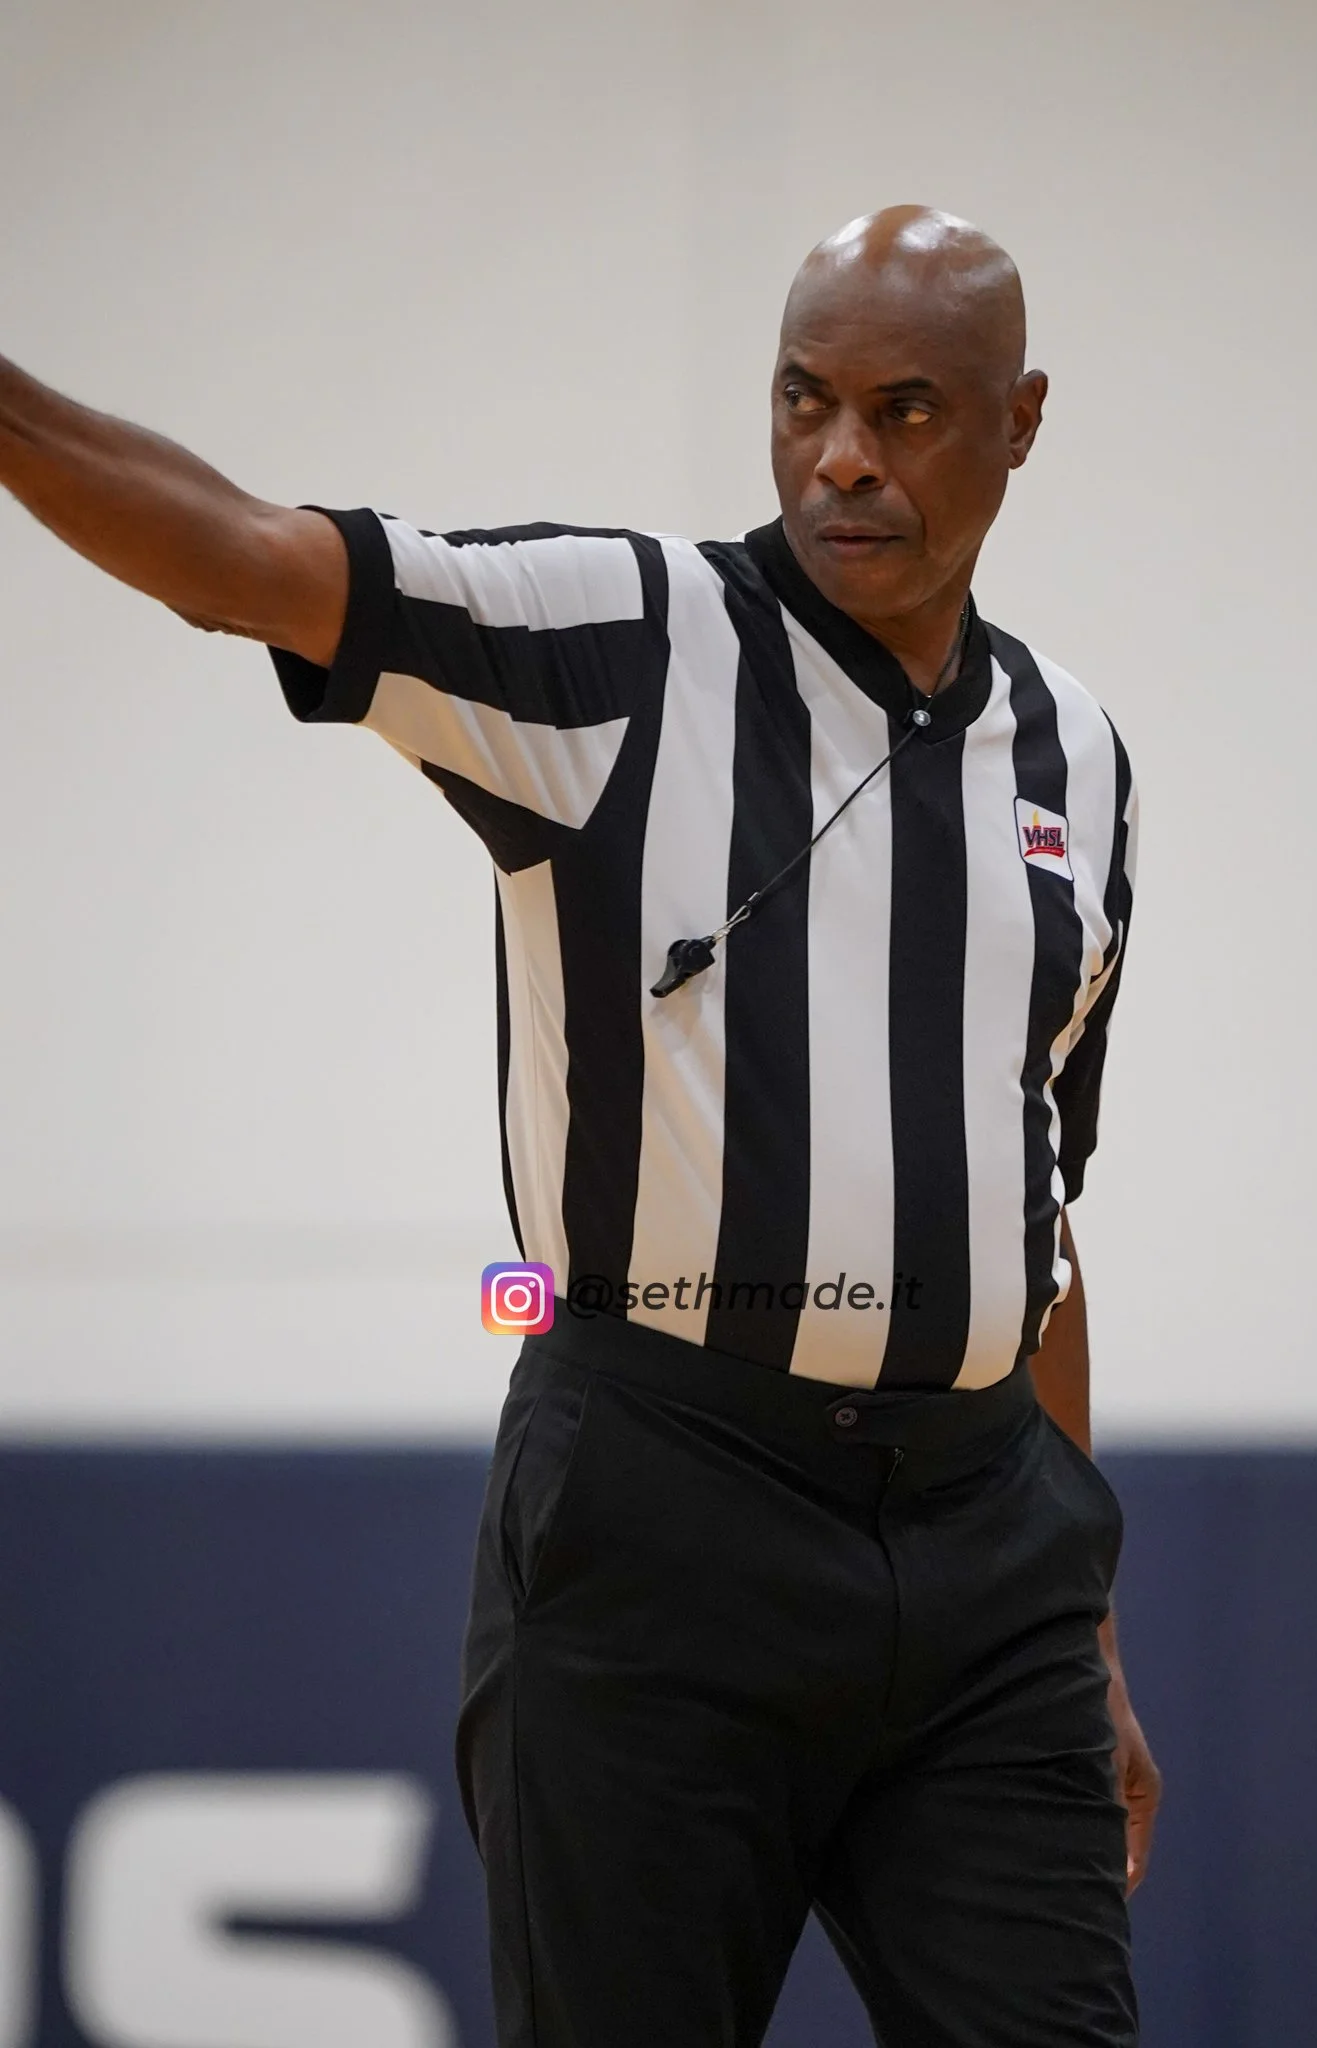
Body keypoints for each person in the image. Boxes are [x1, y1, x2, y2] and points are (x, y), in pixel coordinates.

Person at [1, 204, 1160, 2046]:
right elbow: (243, 559)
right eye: (805, 401)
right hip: (663, 1516)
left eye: (908, 410)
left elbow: (1041, 1204)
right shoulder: (621, 641)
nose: (842, 455)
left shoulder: (1079, 757)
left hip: (985, 1560)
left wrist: (1087, 1627)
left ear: (1022, 424)